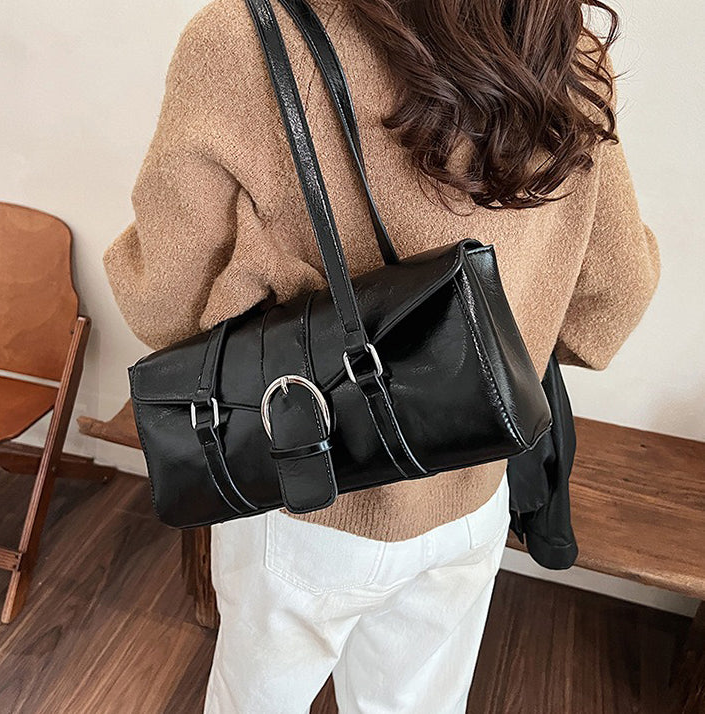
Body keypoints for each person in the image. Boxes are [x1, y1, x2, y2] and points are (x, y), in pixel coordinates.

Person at [103, 0, 660, 710]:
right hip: (472, 487)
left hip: (307, 492)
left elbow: (167, 306)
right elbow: (614, 296)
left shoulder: (246, 35)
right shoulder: (559, 41)